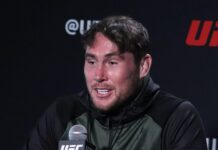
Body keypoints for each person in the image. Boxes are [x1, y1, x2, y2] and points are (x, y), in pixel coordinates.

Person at [23, 16, 207, 150]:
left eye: (112, 62)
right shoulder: (63, 114)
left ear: (143, 66)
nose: (99, 75)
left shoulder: (175, 118)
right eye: (92, 61)